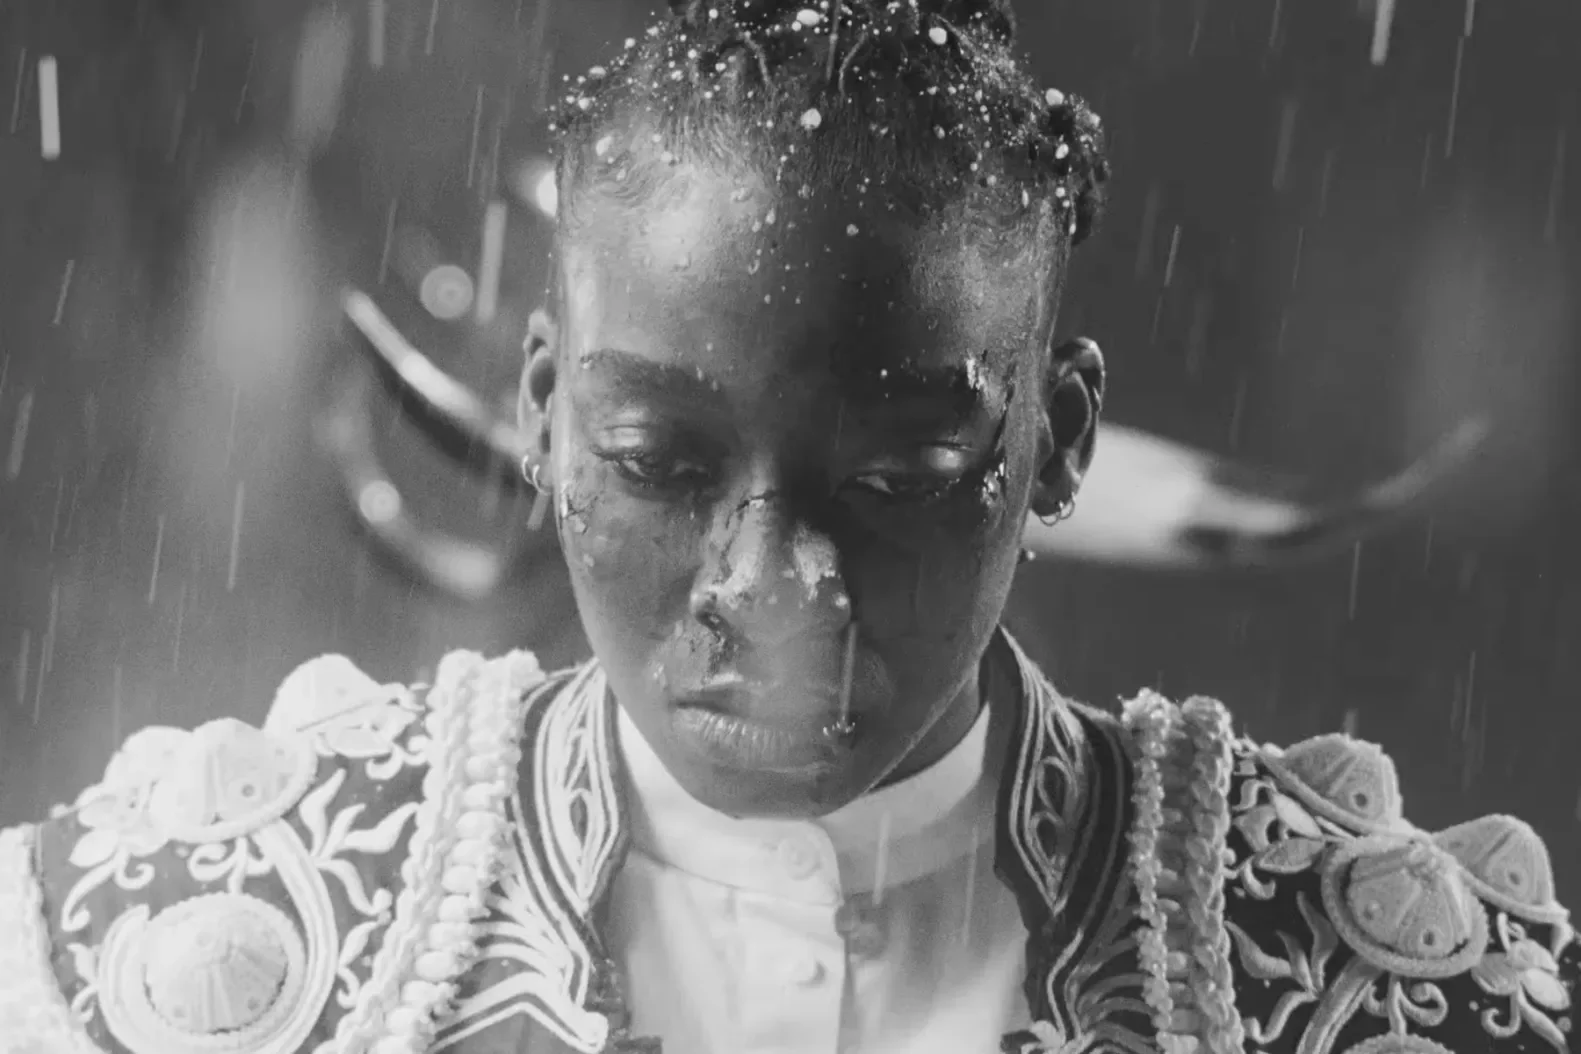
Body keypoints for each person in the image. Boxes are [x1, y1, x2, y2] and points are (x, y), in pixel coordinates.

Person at [0, 1, 1573, 1052]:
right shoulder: (160, 950)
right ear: (543, 415)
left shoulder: (1396, 988)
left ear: (1059, 440)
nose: (772, 589)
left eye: (898, 473)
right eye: (658, 461)